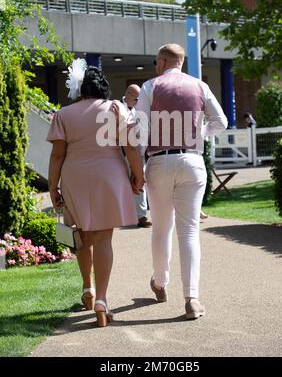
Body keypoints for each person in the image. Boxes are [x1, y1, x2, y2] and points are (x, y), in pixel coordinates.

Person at [47, 60, 144, 327]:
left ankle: (87, 288)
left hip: (74, 175)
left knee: (82, 234)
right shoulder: (116, 108)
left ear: (80, 89)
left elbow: (57, 156)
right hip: (109, 174)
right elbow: (132, 147)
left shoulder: (63, 114)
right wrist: (139, 175)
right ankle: (101, 300)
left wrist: (52, 186)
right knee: (103, 238)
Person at [136, 43, 227, 319]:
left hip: (160, 162)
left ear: (162, 62)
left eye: (156, 61)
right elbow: (220, 121)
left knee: (161, 229)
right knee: (188, 232)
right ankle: (192, 298)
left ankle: (160, 283)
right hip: (192, 161)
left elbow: (140, 129)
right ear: (181, 62)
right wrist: (201, 133)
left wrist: (137, 168)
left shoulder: (150, 86)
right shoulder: (200, 86)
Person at [121, 84, 152, 228]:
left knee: (140, 183)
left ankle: (141, 216)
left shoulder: (139, 111)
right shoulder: (116, 108)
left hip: (137, 153)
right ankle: (123, 215)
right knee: (121, 184)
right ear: (127, 94)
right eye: (136, 98)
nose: (138, 101)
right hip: (120, 154)